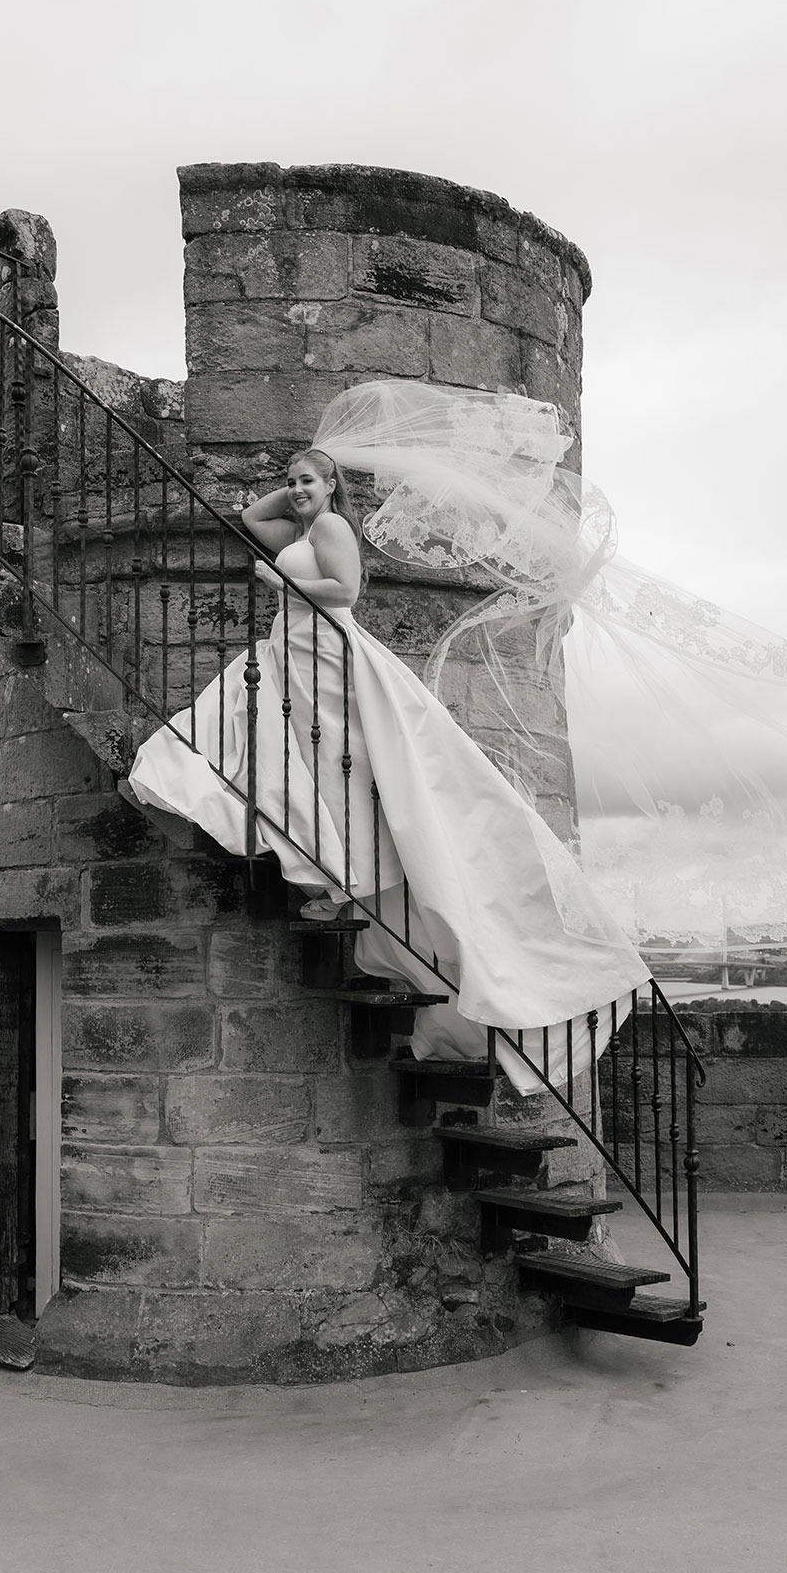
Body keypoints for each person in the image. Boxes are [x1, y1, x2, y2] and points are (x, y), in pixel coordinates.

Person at [128, 442, 652, 1091]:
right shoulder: (300, 521)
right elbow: (255, 521)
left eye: (309, 482)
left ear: (332, 488)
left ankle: (339, 873)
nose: (296, 491)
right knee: (297, 761)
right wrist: (294, 483)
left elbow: (343, 591)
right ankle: (323, 863)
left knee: (332, 770)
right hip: (290, 647)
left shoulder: (331, 526)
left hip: (322, 647)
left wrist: (285, 570)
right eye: (292, 481)